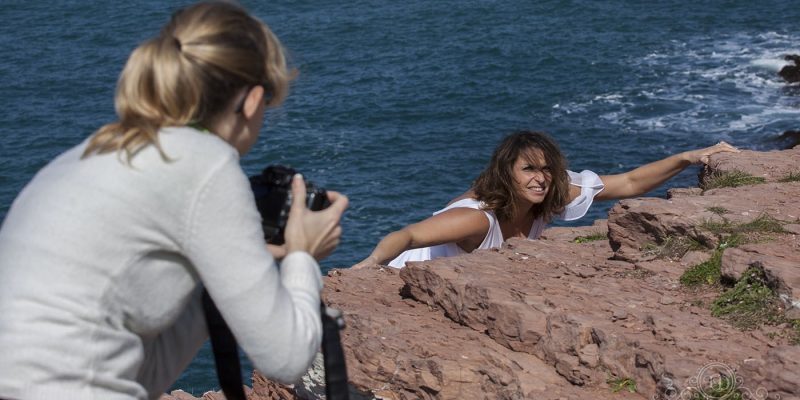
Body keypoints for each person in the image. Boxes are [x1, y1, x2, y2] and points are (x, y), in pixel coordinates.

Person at [0, 2, 348, 399]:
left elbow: (135, 374)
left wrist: (229, 268)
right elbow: (286, 358)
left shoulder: (95, 151)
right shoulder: (207, 163)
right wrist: (303, 254)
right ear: (251, 101)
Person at [353, 131, 737, 269]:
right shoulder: (477, 219)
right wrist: (367, 267)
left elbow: (632, 181)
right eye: (528, 170)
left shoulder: (549, 193)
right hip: (400, 274)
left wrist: (688, 158)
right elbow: (406, 237)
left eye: (546, 169)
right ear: (507, 174)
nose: (540, 178)